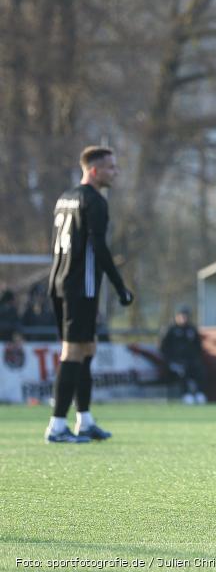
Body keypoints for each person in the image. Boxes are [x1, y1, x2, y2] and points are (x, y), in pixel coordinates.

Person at [44, 146, 134, 443]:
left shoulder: (64, 197)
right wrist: (120, 287)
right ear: (94, 170)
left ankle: (84, 420)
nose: (115, 172)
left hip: (58, 281)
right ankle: (57, 426)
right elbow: (99, 248)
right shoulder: (94, 201)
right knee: (73, 352)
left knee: (87, 349)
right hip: (79, 287)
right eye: (110, 167)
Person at [161, 307, 208, 404]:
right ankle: (186, 395)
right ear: (176, 317)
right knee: (182, 370)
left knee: (201, 370)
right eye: (181, 316)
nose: (183, 318)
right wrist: (170, 361)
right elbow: (163, 348)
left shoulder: (192, 329)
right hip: (175, 361)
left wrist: (197, 358)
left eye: (185, 316)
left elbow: (198, 346)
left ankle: (200, 394)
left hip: (192, 360)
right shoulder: (170, 330)